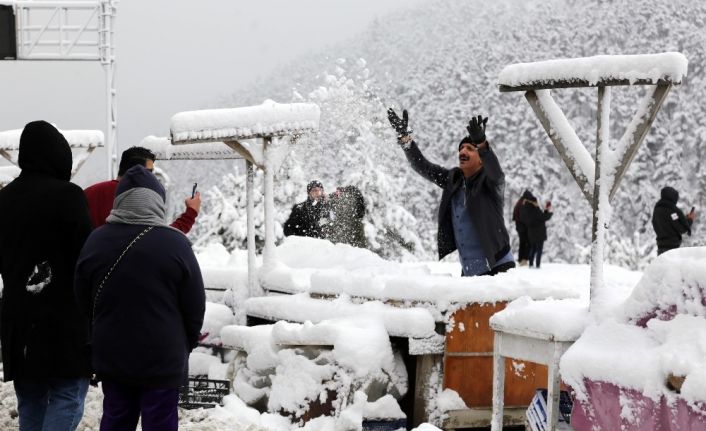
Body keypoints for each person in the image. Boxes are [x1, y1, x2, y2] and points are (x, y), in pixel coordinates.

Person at [74, 165, 205, 431]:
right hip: (163, 356)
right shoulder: (175, 244)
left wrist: (99, 331)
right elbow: (194, 306)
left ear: (120, 200)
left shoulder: (95, 241)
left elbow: (82, 299)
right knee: (160, 423)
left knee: (116, 418)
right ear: (157, 202)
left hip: (113, 355)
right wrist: (184, 344)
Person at [0, 121, 92, 430]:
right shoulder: (69, 197)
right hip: (64, 321)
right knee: (68, 393)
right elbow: (85, 260)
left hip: (18, 322)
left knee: (31, 399)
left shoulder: (4, 199)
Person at [387, 109, 515, 276]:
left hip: (497, 267)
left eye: (470, 148)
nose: (462, 152)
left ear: (481, 159)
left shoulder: (491, 183)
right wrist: (405, 137)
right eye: (461, 149)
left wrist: (482, 143)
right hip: (469, 270)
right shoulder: (453, 180)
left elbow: (495, 171)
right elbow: (422, 166)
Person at [84, 146, 201, 233]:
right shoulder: (138, 200)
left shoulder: (89, 193)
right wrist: (191, 212)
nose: (153, 177)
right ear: (137, 171)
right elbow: (158, 239)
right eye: (150, 172)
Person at [652, 186, 696, 255]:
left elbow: (669, 222)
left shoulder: (657, 209)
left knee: (662, 265)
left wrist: (684, 219)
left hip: (660, 248)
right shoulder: (671, 210)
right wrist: (690, 220)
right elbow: (682, 228)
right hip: (671, 249)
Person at [519, 192, 553, 268]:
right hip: (539, 232)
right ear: (533, 202)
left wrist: (545, 212)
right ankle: (537, 265)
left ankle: (531, 264)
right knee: (539, 249)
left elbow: (537, 218)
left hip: (531, 232)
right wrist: (549, 212)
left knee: (533, 248)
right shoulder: (534, 209)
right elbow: (542, 217)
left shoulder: (525, 209)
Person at [512, 190, 533, 266]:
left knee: (523, 243)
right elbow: (523, 217)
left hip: (520, 227)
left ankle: (521, 259)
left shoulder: (519, 202)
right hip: (522, 227)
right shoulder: (522, 204)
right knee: (527, 243)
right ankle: (524, 260)